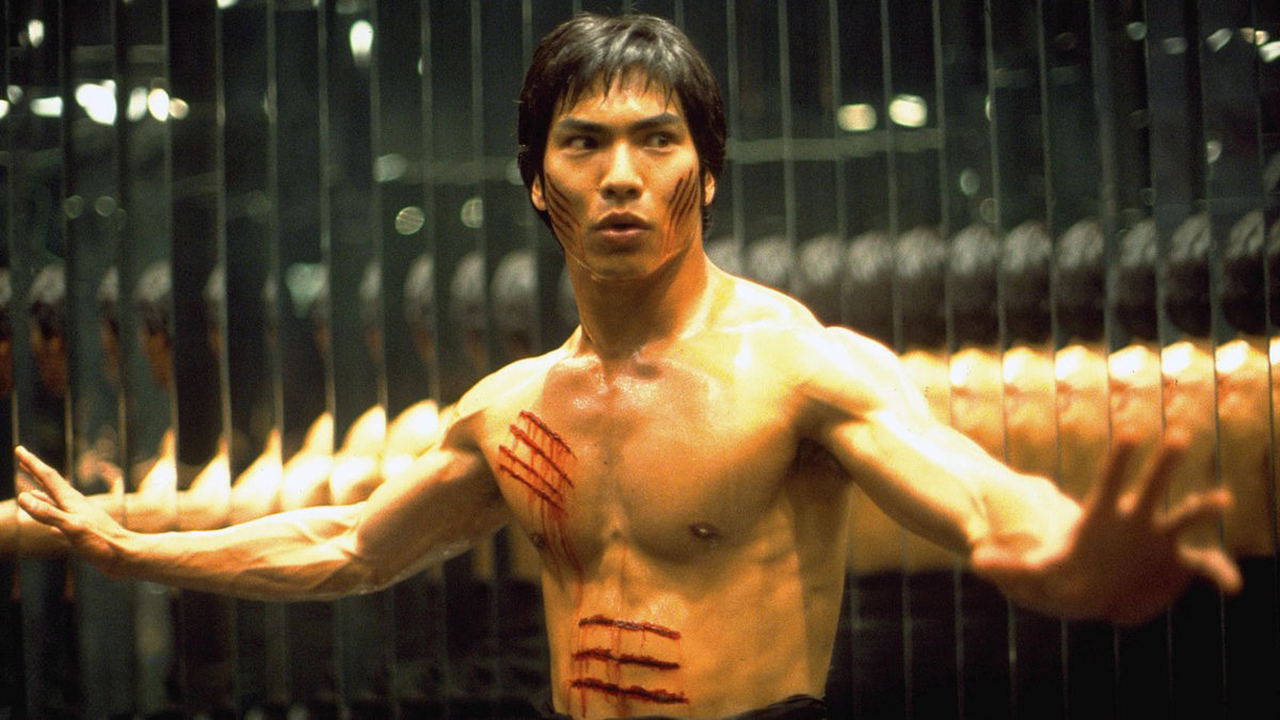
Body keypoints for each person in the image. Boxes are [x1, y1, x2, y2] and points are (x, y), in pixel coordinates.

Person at [16, 13, 1240, 720]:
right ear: (534, 182)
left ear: (705, 174)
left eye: (656, 140)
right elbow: (347, 547)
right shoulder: (511, 409)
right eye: (582, 142)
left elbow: (982, 503)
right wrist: (125, 549)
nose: (618, 175)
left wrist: (1073, 561)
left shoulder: (796, 369)